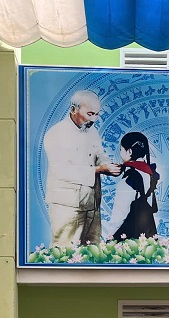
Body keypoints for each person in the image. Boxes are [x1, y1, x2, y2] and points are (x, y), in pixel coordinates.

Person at [43, 89, 121, 247]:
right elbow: (62, 170)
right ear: (73, 109)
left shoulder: (92, 131)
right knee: (65, 250)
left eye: (97, 114)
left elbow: (99, 154)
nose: (94, 119)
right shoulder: (57, 133)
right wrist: (99, 170)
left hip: (92, 203)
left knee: (92, 250)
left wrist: (108, 165)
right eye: (90, 114)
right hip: (67, 206)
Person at [104, 131, 161, 242]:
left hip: (130, 235)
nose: (120, 153)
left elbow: (120, 214)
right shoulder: (150, 173)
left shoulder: (129, 178)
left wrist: (110, 237)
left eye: (121, 149)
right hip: (149, 232)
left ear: (129, 151)